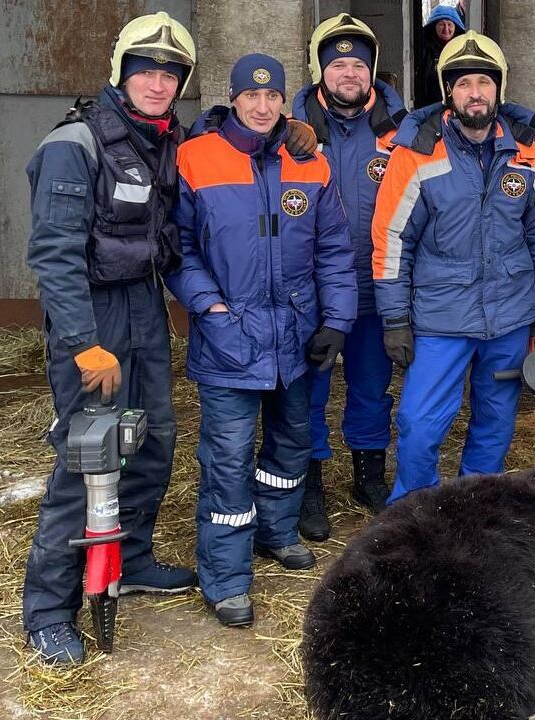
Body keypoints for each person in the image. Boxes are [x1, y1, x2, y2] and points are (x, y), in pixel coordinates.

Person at [21, 12, 199, 665]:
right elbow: (54, 256)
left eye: (171, 73)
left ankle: (131, 555)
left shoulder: (162, 138)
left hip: (143, 304)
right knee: (88, 453)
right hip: (90, 312)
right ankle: (47, 608)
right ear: (122, 74)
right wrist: (82, 343)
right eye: (147, 70)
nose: (159, 83)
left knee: (152, 438)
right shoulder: (75, 144)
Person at [169, 54, 357, 628]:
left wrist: (336, 321)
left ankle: (276, 531)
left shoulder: (309, 162)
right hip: (231, 337)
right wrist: (212, 307)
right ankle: (225, 575)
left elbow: (334, 249)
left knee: (291, 442)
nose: (261, 106)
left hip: (295, 337)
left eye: (272, 96)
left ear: (284, 100)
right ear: (233, 97)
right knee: (226, 458)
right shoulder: (195, 159)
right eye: (251, 96)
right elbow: (178, 249)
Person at [372, 32, 535, 505]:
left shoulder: (526, 151)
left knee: (495, 422)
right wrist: (395, 319)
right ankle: (414, 513)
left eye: (484, 82)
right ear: (448, 92)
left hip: (511, 317)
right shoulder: (416, 152)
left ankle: (476, 512)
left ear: (499, 89)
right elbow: (392, 240)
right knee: (419, 424)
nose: (475, 92)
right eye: (463, 84)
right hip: (441, 318)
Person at [292, 13, 408, 540]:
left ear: (372, 72)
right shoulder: (286, 125)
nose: (348, 74)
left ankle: (367, 473)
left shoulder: (401, 129)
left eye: (357, 65)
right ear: (320, 72)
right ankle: (308, 477)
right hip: (307, 287)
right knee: (308, 388)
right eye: (336, 64)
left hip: (374, 282)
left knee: (371, 383)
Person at [414, 4, 465, 108]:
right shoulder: (423, 49)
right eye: (441, 24)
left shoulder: (462, 49)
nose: (446, 29)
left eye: (449, 24)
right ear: (434, 26)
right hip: (429, 106)